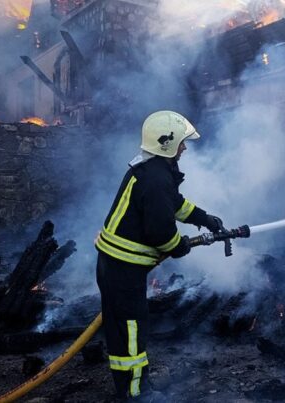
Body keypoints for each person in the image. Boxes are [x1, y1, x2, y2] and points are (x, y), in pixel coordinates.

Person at [95, 110, 222, 400]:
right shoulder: (155, 179)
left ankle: (133, 388)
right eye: (181, 142)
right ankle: (134, 393)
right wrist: (180, 246)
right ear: (168, 143)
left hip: (119, 265)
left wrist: (204, 218)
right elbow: (161, 233)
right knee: (130, 331)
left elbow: (173, 204)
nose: (185, 148)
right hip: (122, 268)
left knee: (127, 328)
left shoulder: (153, 170)